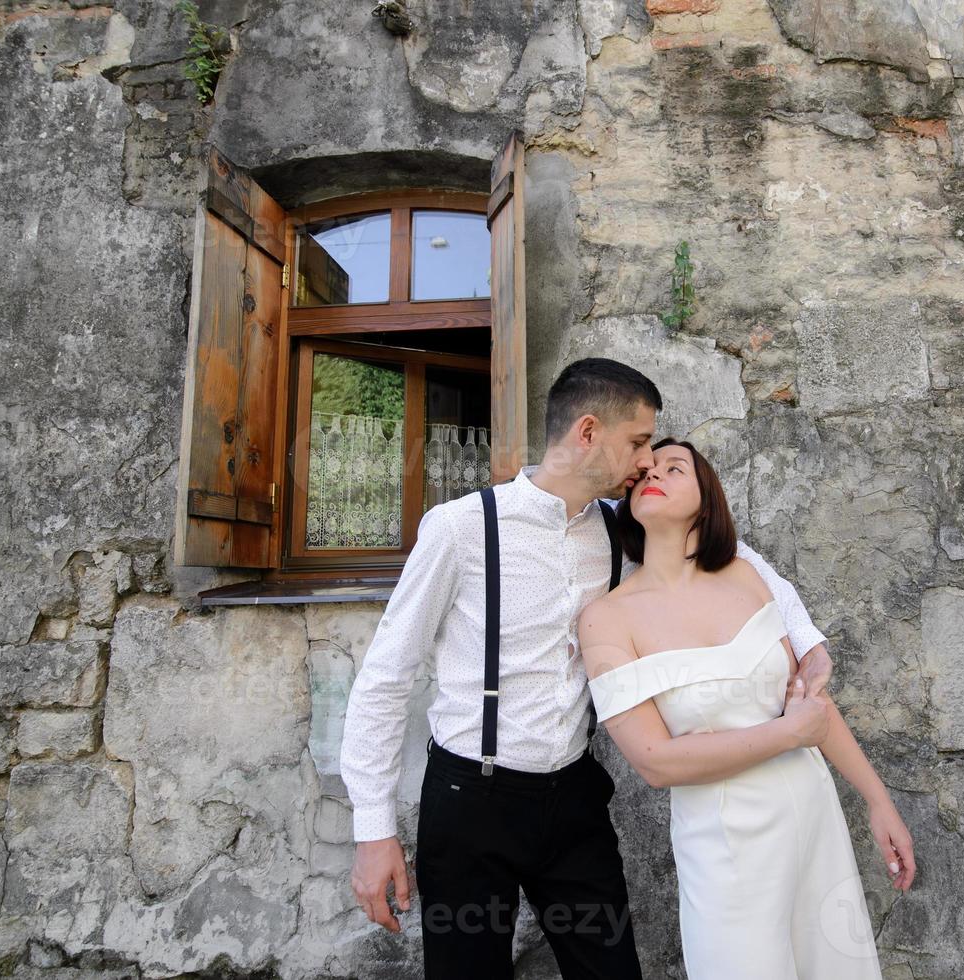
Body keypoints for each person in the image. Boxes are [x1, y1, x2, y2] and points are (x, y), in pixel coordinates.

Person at [340, 358, 838, 979]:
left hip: (573, 801)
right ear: (587, 431)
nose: (645, 462)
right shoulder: (460, 529)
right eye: (636, 442)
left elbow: (729, 557)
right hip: (470, 802)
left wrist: (804, 633)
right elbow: (386, 678)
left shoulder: (617, 530)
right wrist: (374, 830)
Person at [579, 437, 917, 980]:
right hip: (725, 842)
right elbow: (655, 762)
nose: (653, 474)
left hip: (812, 814)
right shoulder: (607, 619)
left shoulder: (745, 575)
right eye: (645, 471)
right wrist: (787, 734)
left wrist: (878, 800)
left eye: (674, 467)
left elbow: (811, 706)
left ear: (706, 499)